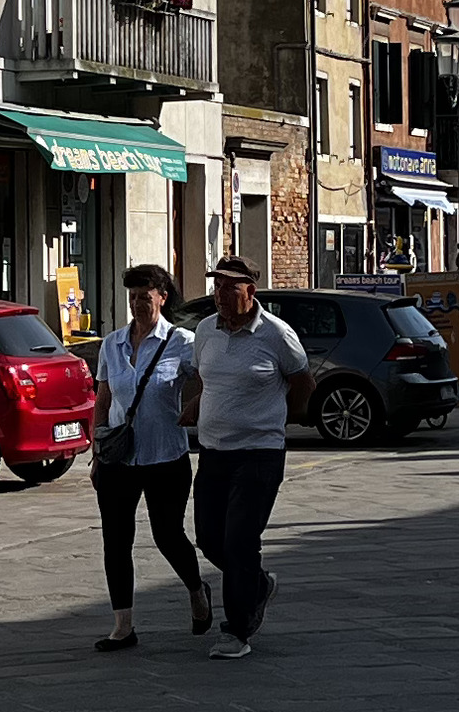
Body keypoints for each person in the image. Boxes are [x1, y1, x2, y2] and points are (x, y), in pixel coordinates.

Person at [180, 256, 311, 658]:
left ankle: (236, 629)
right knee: (208, 538)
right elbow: (207, 380)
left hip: (260, 453)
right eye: (216, 286)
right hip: (214, 451)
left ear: (250, 291)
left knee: (239, 541)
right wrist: (196, 408)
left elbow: (303, 382)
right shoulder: (205, 331)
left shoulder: (276, 334)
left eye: (229, 288)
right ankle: (255, 583)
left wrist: (282, 419)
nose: (219, 295)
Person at [91, 263, 210, 650]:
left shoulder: (182, 342)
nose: (138, 304)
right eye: (132, 297)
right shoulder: (112, 344)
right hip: (118, 459)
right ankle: (122, 626)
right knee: (116, 540)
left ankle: (196, 589)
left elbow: (210, 380)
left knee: (167, 534)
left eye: (145, 296)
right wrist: (96, 446)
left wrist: (195, 402)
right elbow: (104, 396)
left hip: (165, 457)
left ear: (162, 296)